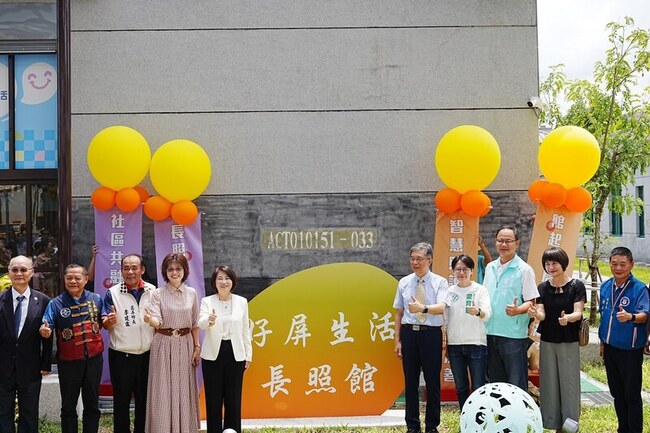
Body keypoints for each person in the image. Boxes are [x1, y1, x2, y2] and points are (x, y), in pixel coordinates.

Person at [39, 264, 104, 433]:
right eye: (69, 278)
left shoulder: (96, 299)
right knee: (68, 406)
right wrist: (45, 331)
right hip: (68, 362)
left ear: (86, 279)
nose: (73, 281)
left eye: (77, 278)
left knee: (92, 404)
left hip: (93, 360)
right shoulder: (55, 303)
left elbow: (104, 321)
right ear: (64, 279)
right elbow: (46, 325)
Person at [527, 247, 585, 432]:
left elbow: (578, 312)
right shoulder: (543, 288)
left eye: (554, 263)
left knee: (569, 383)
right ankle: (552, 423)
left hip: (569, 340)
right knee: (549, 382)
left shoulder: (576, 285)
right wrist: (536, 313)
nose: (551, 267)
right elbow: (542, 314)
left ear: (563, 264)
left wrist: (567, 318)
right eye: (547, 264)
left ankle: (570, 425)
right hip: (548, 341)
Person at [393, 242, 448, 433]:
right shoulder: (404, 282)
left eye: (419, 259)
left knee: (432, 382)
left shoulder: (440, 282)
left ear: (429, 260)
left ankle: (432, 426)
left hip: (430, 335)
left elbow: (441, 308)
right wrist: (397, 340)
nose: (415, 263)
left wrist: (422, 308)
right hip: (409, 334)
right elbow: (399, 313)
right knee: (411, 382)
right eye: (412, 259)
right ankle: (412, 426)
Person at [144, 252, 200, 433]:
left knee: (184, 388)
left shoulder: (192, 293)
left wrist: (197, 347)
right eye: (170, 269)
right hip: (163, 344)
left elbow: (195, 324)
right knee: (162, 389)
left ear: (185, 270)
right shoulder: (157, 294)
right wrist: (150, 320)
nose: (174, 273)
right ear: (165, 272)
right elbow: (157, 320)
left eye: (178, 269)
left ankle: (185, 428)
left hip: (186, 344)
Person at [101, 254, 156, 433]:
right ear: (121, 271)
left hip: (146, 354)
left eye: (134, 268)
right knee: (121, 401)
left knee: (144, 400)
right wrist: (109, 321)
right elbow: (105, 324)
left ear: (142, 270)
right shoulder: (112, 293)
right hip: (121, 356)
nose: (130, 272)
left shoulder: (152, 290)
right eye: (126, 268)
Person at [598, 246, 648, 433]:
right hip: (610, 348)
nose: (618, 268)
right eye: (614, 264)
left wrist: (630, 317)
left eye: (623, 264)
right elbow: (604, 316)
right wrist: (602, 342)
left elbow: (645, 314)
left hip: (630, 350)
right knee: (617, 393)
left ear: (631, 264)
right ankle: (623, 429)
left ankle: (634, 430)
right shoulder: (605, 286)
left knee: (631, 394)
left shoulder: (639, 288)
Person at [482, 225, 538, 390]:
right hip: (489, 332)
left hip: (512, 335)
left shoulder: (524, 270)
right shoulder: (490, 267)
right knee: (495, 383)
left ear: (517, 243)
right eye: (500, 240)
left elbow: (531, 301)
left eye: (508, 241)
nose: (504, 244)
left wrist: (517, 310)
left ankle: (518, 409)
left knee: (516, 383)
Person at [0, 256, 52, 433]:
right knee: (3, 413)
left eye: (23, 270)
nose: (19, 273)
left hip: (31, 367)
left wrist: (46, 363)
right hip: (3, 367)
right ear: (9, 272)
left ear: (32, 272)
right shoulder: (1, 299)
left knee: (29, 414)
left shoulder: (43, 301)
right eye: (14, 270)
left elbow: (48, 333)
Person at [198, 265, 252, 433]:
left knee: (233, 399)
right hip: (212, 355)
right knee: (213, 399)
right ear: (214, 282)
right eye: (219, 278)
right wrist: (209, 320)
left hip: (236, 354)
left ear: (232, 281)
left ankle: (233, 430)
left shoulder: (241, 302)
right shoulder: (207, 301)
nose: (224, 282)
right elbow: (200, 323)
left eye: (227, 278)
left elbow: (245, 330)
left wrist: (248, 355)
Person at [441, 254, 491, 411]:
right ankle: (465, 416)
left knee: (478, 385)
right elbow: (445, 319)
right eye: (458, 269)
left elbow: (488, 314)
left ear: (472, 271)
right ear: (453, 271)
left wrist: (478, 311)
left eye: (465, 269)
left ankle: (479, 417)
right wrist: (445, 342)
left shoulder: (480, 290)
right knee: (461, 386)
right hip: (455, 345)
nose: (461, 273)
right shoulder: (449, 292)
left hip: (476, 344)